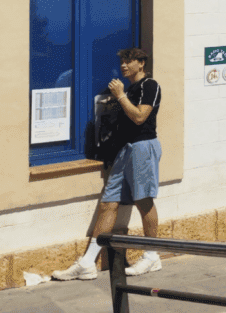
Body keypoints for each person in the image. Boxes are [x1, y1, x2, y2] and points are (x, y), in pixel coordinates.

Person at [55, 48, 163, 280]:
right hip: (124, 151)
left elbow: (140, 117)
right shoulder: (129, 89)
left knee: (143, 200)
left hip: (142, 147)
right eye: (122, 61)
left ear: (141, 64)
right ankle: (87, 263)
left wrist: (121, 96)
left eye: (129, 61)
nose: (123, 65)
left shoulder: (149, 86)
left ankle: (152, 256)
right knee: (108, 203)